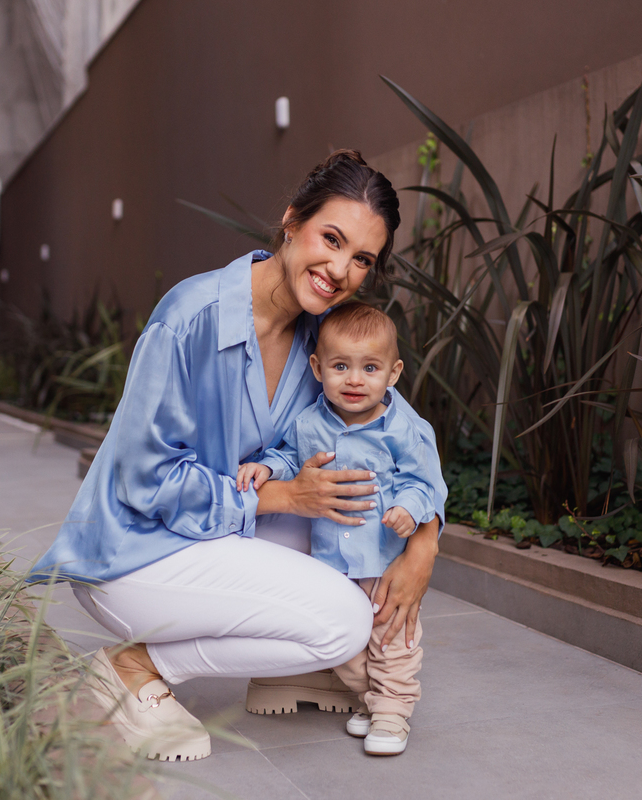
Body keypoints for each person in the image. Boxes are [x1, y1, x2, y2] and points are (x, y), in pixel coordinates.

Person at [29, 150, 446, 762]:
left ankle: (298, 670)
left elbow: (396, 431)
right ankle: (134, 665)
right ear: (290, 221)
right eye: (330, 238)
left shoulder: (322, 338)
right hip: (137, 550)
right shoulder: (189, 316)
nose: (339, 269)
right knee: (343, 622)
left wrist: (425, 543)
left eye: (361, 259)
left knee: (350, 514)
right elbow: (145, 478)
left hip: (222, 532)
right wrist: (278, 495)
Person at [236, 303, 443, 756]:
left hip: (382, 560)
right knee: (344, 640)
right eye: (341, 366)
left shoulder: (400, 430)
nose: (354, 379)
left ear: (393, 373)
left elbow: (421, 481)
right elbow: (290, 455)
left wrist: (410, 508)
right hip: (330, 562)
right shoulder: (309, 422)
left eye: (370, 368)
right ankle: (373, 700)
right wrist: (267, 468)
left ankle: (392, 711)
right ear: (318, 367)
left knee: (391, 638)